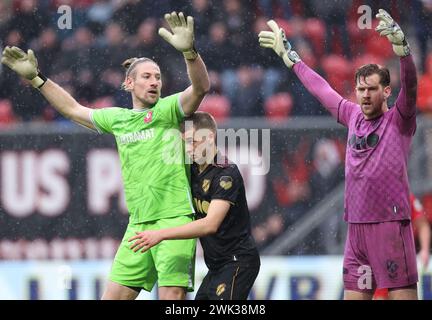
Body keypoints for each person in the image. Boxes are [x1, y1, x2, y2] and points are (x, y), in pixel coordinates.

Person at [1, 11, 210, 300]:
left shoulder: (167, 110)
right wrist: (37, 79)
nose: (154, 82)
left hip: (174, 219)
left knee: (171, 299)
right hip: (138, 224)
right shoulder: (118, 118)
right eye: (146, 76)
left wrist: (189, 53)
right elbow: (73, 109)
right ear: (129, 84)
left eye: (158, 77)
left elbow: (201, 87)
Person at [259, 9, 418, 299]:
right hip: (356, 229)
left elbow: (411, 87)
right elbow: (322, 89)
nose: (365, 95)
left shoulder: (399, 119)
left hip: (390, 227)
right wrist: (292, 59)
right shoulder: (351, 114)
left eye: (372, 89)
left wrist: (403, 52)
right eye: (361, 89)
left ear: (386, 92)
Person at [128, 111, 260, 300]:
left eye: (193, 141)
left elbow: (210, 224)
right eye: (185, 142)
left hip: (238, 262)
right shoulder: (191, 169)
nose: (188, 149)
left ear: (210, 137)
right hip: (216, 266)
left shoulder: (226, 174)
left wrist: (160, 235)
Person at [374, 193, 431, 299]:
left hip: (403, 261)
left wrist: (425, 250)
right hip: (380, 261)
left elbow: (422, 225)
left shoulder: (406, 197)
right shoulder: (374, 199)